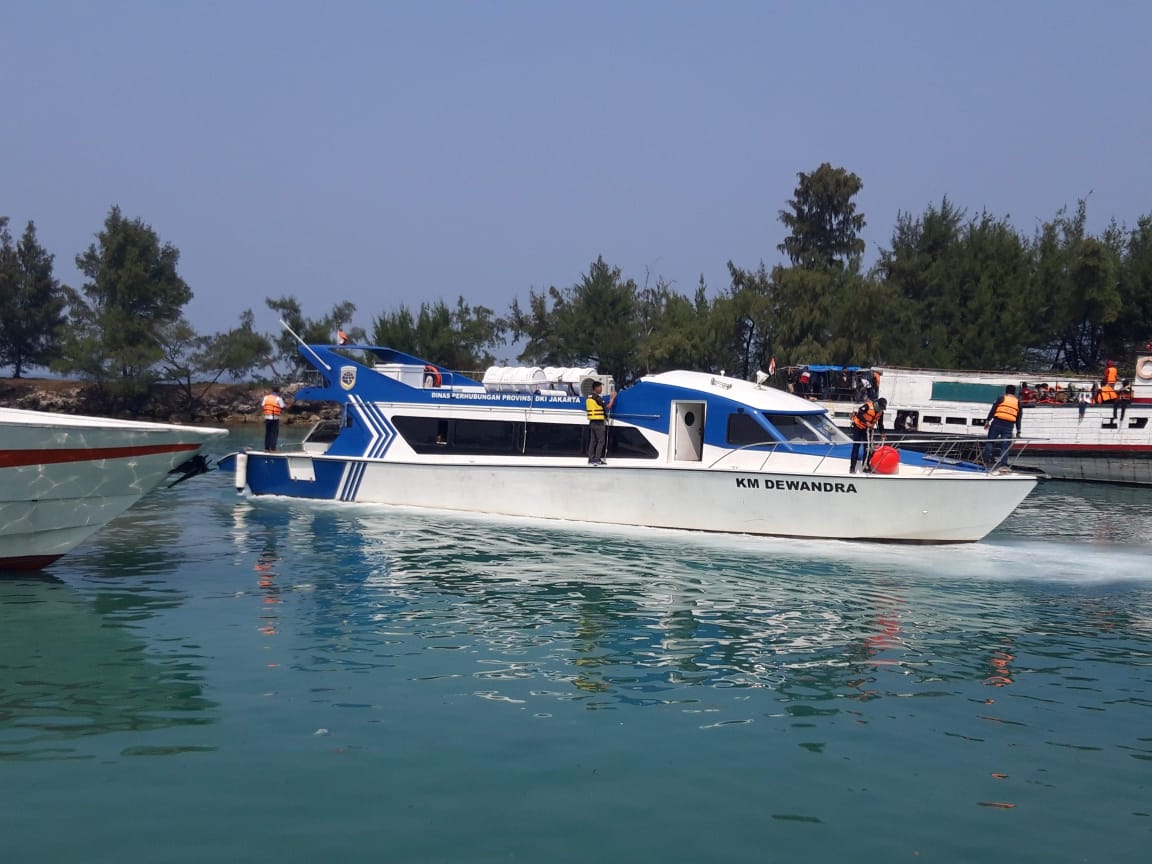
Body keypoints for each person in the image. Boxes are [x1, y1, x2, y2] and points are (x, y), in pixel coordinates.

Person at [982, 384, 1021, 469]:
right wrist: (1018, 430)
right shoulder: (1018, 402)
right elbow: (1018, 417)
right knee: (1005, 446)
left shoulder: (1001, 398)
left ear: (1006, 391)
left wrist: (987, 421)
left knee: (990, 442)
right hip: (1009, 425)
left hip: (997, 422)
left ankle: (985, 461)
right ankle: (1003, 464)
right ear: (1014, 392)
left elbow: (993, 410)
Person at [849, 396, 886, 474]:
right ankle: (852, 467)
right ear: (877, 405)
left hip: (868, 430)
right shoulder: (868, 406)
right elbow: (859, 414)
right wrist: (867, 422)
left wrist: (882, 433)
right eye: (881, 407)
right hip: (858, 427)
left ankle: (865, 466)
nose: (881, 409)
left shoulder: (881, 412)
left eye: (883, 408)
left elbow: (880, 424)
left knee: (868, 448)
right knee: (856, 446)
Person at [585, 380, 617, 465]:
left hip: (592, 422)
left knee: (593, 441)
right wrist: (612, 398)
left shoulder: (589, 397)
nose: (601, 389)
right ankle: (597, 459)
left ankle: (591, 458)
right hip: (598, 423)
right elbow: (608, 406)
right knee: (601, 441)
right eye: (600, 387)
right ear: (596, 388)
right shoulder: (597, 398)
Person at [262, 386, 286, 452]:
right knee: (274, 433)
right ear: (278, 391)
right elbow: (282, 407)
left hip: (267, 417)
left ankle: (266, 448)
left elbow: (263, 405)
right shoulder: (278, 398)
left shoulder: (266, 397)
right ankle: (273, 449)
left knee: (268, 433)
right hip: (274, 418)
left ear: (272, 390)